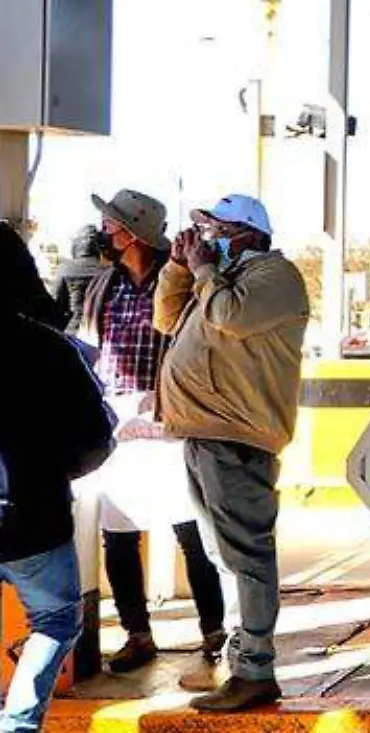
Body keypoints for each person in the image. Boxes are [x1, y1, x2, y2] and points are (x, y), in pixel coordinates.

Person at [153, 195, 309, 713]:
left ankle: (255, 669)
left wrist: (203, 270)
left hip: (237, 437)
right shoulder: (216, 276)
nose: (204, 238)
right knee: (226, 555)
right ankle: (243, 661)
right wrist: (180, 269)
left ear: (245, 233)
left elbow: (230, 320)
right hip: (205, 433)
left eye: (214, 228)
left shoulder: (274, 277)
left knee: (247, 556)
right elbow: (165, 319)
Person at [79, 190, 228, 674]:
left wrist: (168, 405)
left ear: (134, 233)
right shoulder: (106, 285)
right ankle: (137, 634)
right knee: (118, 534)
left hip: (170, 420)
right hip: (119, 423)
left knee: (190, 528)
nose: (105, 231)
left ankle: (214, 632)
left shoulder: (177, 280)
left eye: (113, 224)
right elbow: (93, 344)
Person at [0, 224, 94, 733]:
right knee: (56, 622)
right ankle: (17, 724)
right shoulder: (51, 349)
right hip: (35, 519)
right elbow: (95, 438)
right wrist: (56, 471)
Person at [51, 227, 108, 334]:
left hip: (74, 333)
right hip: (102, 335)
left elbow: (55, 308)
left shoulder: (65, 269)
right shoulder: (109, 271)